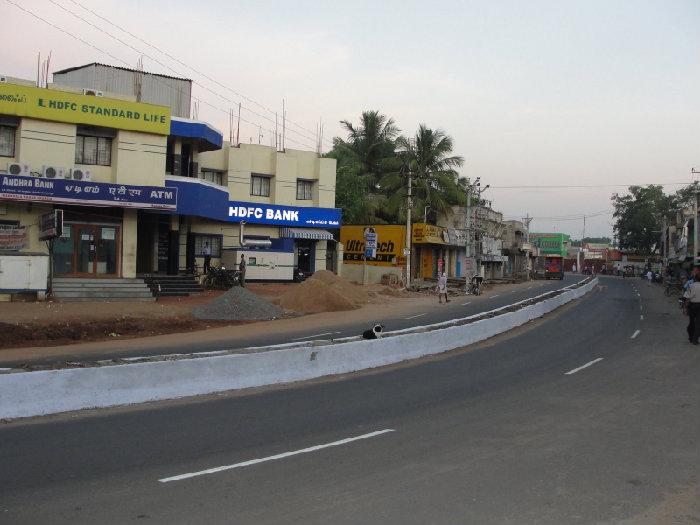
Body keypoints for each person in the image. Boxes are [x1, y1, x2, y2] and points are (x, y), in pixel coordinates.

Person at [683, 267, 700, 344]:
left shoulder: (691, 285)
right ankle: (695, 340)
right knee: (698, 323)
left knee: (692, 322)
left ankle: (691, 337)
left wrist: (685, 308)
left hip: (692, 305)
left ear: (695, 279)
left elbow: (687, 298)